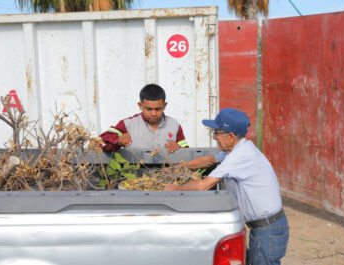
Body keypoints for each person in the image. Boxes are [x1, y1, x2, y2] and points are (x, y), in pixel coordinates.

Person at [164, 108, 289, 265]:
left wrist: (175, 189)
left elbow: (204, 185)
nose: (215, 137)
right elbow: (208, 161)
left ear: (230, 136)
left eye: (217, 133)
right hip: (266, 227)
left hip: (268, 230)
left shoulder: (240, 156)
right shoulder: (235, 149)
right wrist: (175, 169)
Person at [100, 84, 188, 153]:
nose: (153, 114)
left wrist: (178, 148)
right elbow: (101, 141)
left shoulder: (174, 125)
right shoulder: (127, 124)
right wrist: (118, 141)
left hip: (166, 174)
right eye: (149, 109)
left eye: (158, 109)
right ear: (140, 106)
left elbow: (187, 153)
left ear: (164, 106)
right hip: (135, 175)